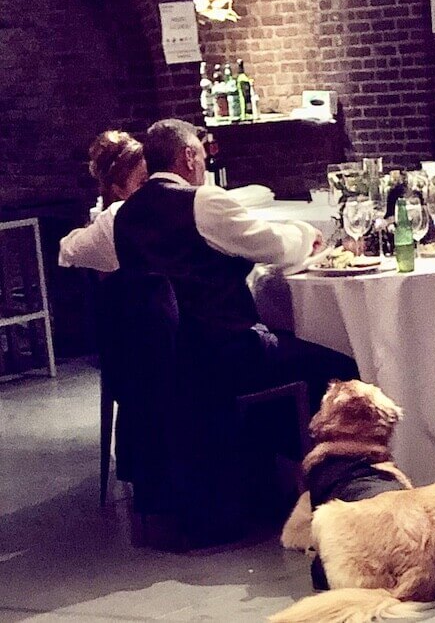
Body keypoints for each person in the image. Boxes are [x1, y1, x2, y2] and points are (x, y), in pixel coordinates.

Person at [61, 118, 358, 545]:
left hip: (170, 364)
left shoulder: (122, 217)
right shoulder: (202, 202)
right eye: (201, 155)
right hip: (227, 352)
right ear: (187, 157)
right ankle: (337, 494)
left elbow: (73, 252)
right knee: (341, 369)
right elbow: (269, 245)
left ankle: (269, 478)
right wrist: (306, 234)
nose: (203, 163)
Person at [59, 131, 147, 271]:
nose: (153, 186)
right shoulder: (112, 223)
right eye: (143, 182)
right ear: (119, 190)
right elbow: (67, 250)